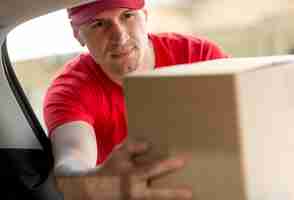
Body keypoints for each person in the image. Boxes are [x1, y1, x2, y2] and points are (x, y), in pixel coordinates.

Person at [43, 0, 228, 199]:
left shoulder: (200, 57)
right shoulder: (70, 90)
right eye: (98, 24)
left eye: (127, 15)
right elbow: (71, 157)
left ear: (145, 16)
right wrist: (92, 184)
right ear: (77, 34)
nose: (119, 37)